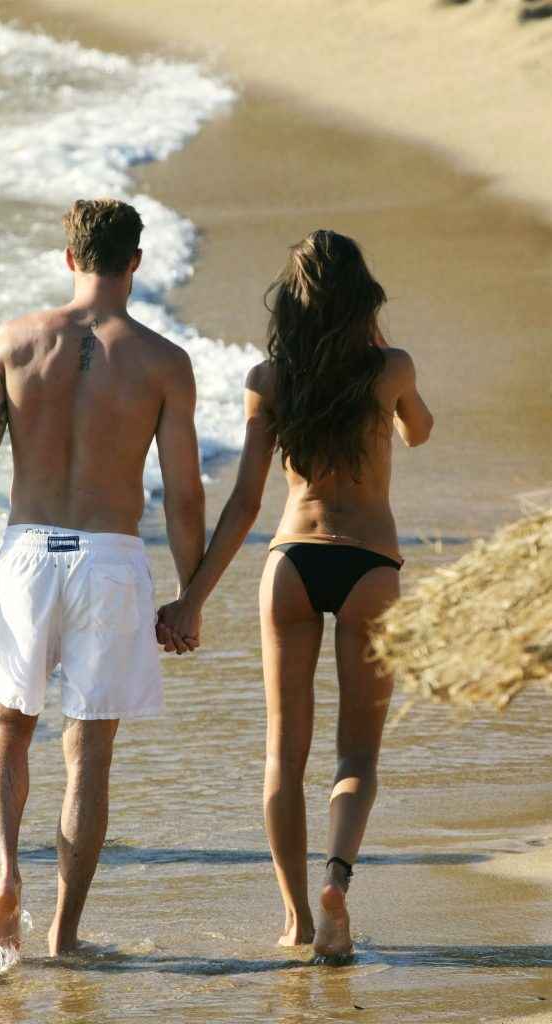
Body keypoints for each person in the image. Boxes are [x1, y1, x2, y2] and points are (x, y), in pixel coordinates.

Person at [0, 198, 205, 958]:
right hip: (110, 559)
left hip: (28, 552)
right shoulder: (162, 362)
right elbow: (184, 495)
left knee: (7, 730)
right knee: (88, 756)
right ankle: (64, 935)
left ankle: (4, 875)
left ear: (70, 259)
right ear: (136, 263)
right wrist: (190, 594)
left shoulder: (15, 341)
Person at [158, 230, 433, 960]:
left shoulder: (270, 380)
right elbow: (419, 431)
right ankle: (336, 879)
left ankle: (296, 920)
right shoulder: (391, 369)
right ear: (364, 300)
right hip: (371, 566)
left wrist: (192, 597)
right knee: (358, 757)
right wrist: (379, 353)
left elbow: (246, 501)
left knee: (284, 755)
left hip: (291, 563)